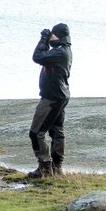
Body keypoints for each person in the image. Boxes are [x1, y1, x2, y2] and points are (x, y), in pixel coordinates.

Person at [28, 23, 72, 178]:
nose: (50, 37)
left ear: (58, 36)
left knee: (36, 132)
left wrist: (43, 39)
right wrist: (47, 40)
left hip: (51, 98)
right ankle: (56, 167)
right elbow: (43, 58)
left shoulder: (59, 53)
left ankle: (45, 167)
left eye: (53, 35)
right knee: (56, 131)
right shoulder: (64, 51)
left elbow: (37, 56)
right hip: (60, 95)